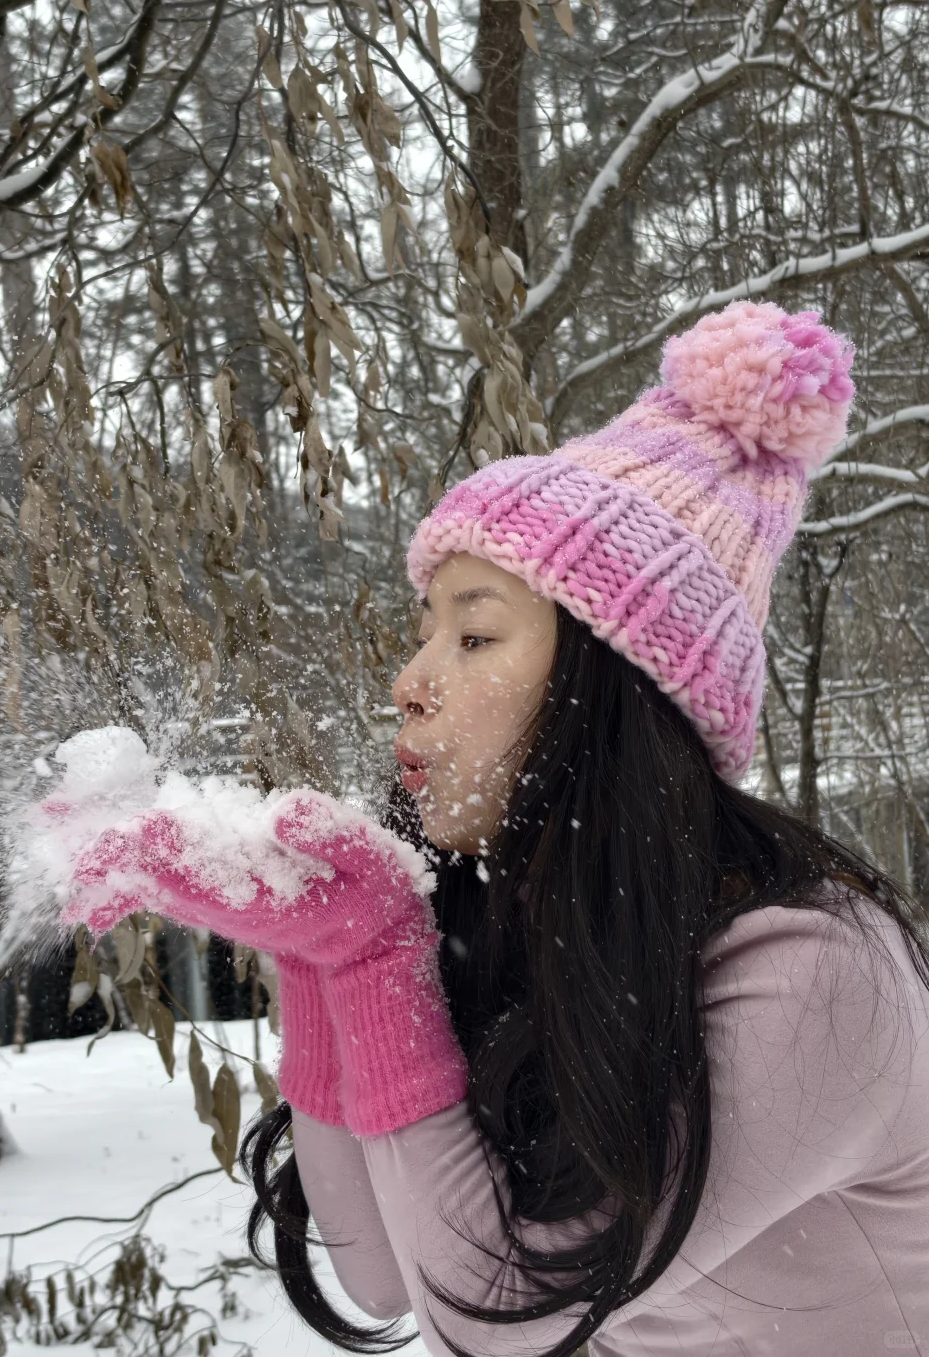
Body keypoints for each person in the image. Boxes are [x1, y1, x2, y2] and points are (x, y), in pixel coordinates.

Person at [60, 300, 929, 1356]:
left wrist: (377, 954)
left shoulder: (813, 974)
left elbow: (504, 1321)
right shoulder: (527, 928)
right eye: (426, 632)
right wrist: (322, 952)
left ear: (618, 690)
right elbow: (385, 1272)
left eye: (475, 634)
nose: (410, 682)